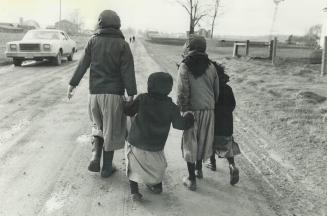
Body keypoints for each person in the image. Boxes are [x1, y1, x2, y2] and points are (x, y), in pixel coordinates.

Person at [67, 10, 137, 178]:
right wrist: (131, 94)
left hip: (95, 95)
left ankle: (95, 155)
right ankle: (106, 167)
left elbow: (82, 64)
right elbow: (128, 71)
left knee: (98, 126)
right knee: (110, 131)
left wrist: (72, 85)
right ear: (118, 25)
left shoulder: (93, 41)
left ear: (100, 23)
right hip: (113, 96)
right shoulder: (123, 45)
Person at [124, 72, 194, 201]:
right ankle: (156, 185)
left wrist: (126, 101)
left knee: (131, 164)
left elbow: (128, 111)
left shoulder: (143, 98)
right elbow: (180, 125)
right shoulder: (171, 106)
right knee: (156, 168)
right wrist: (189, 116)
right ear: (168, 89)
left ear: (149, 86)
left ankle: (134, 191)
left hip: (136, 144)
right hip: (156, 148)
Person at [177, 35, 219, 191]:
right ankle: (198, 170)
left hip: (191, 110)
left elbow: (182, 92)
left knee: (190, 142)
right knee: (202, 141)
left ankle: (191, 179)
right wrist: (210, 107)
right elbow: (216, 91)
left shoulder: (185, 66)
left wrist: (183, 110)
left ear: (189, 48)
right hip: (208, 110)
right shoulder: (211, 67)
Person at [206, 62, 241, 185]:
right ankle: (232, 165)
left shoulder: (210, 88)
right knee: (227, 145)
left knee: (211, 142)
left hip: (214, 122)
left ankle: (212, 163)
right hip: (226, 123)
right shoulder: (228, 88)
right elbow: (232, 105)